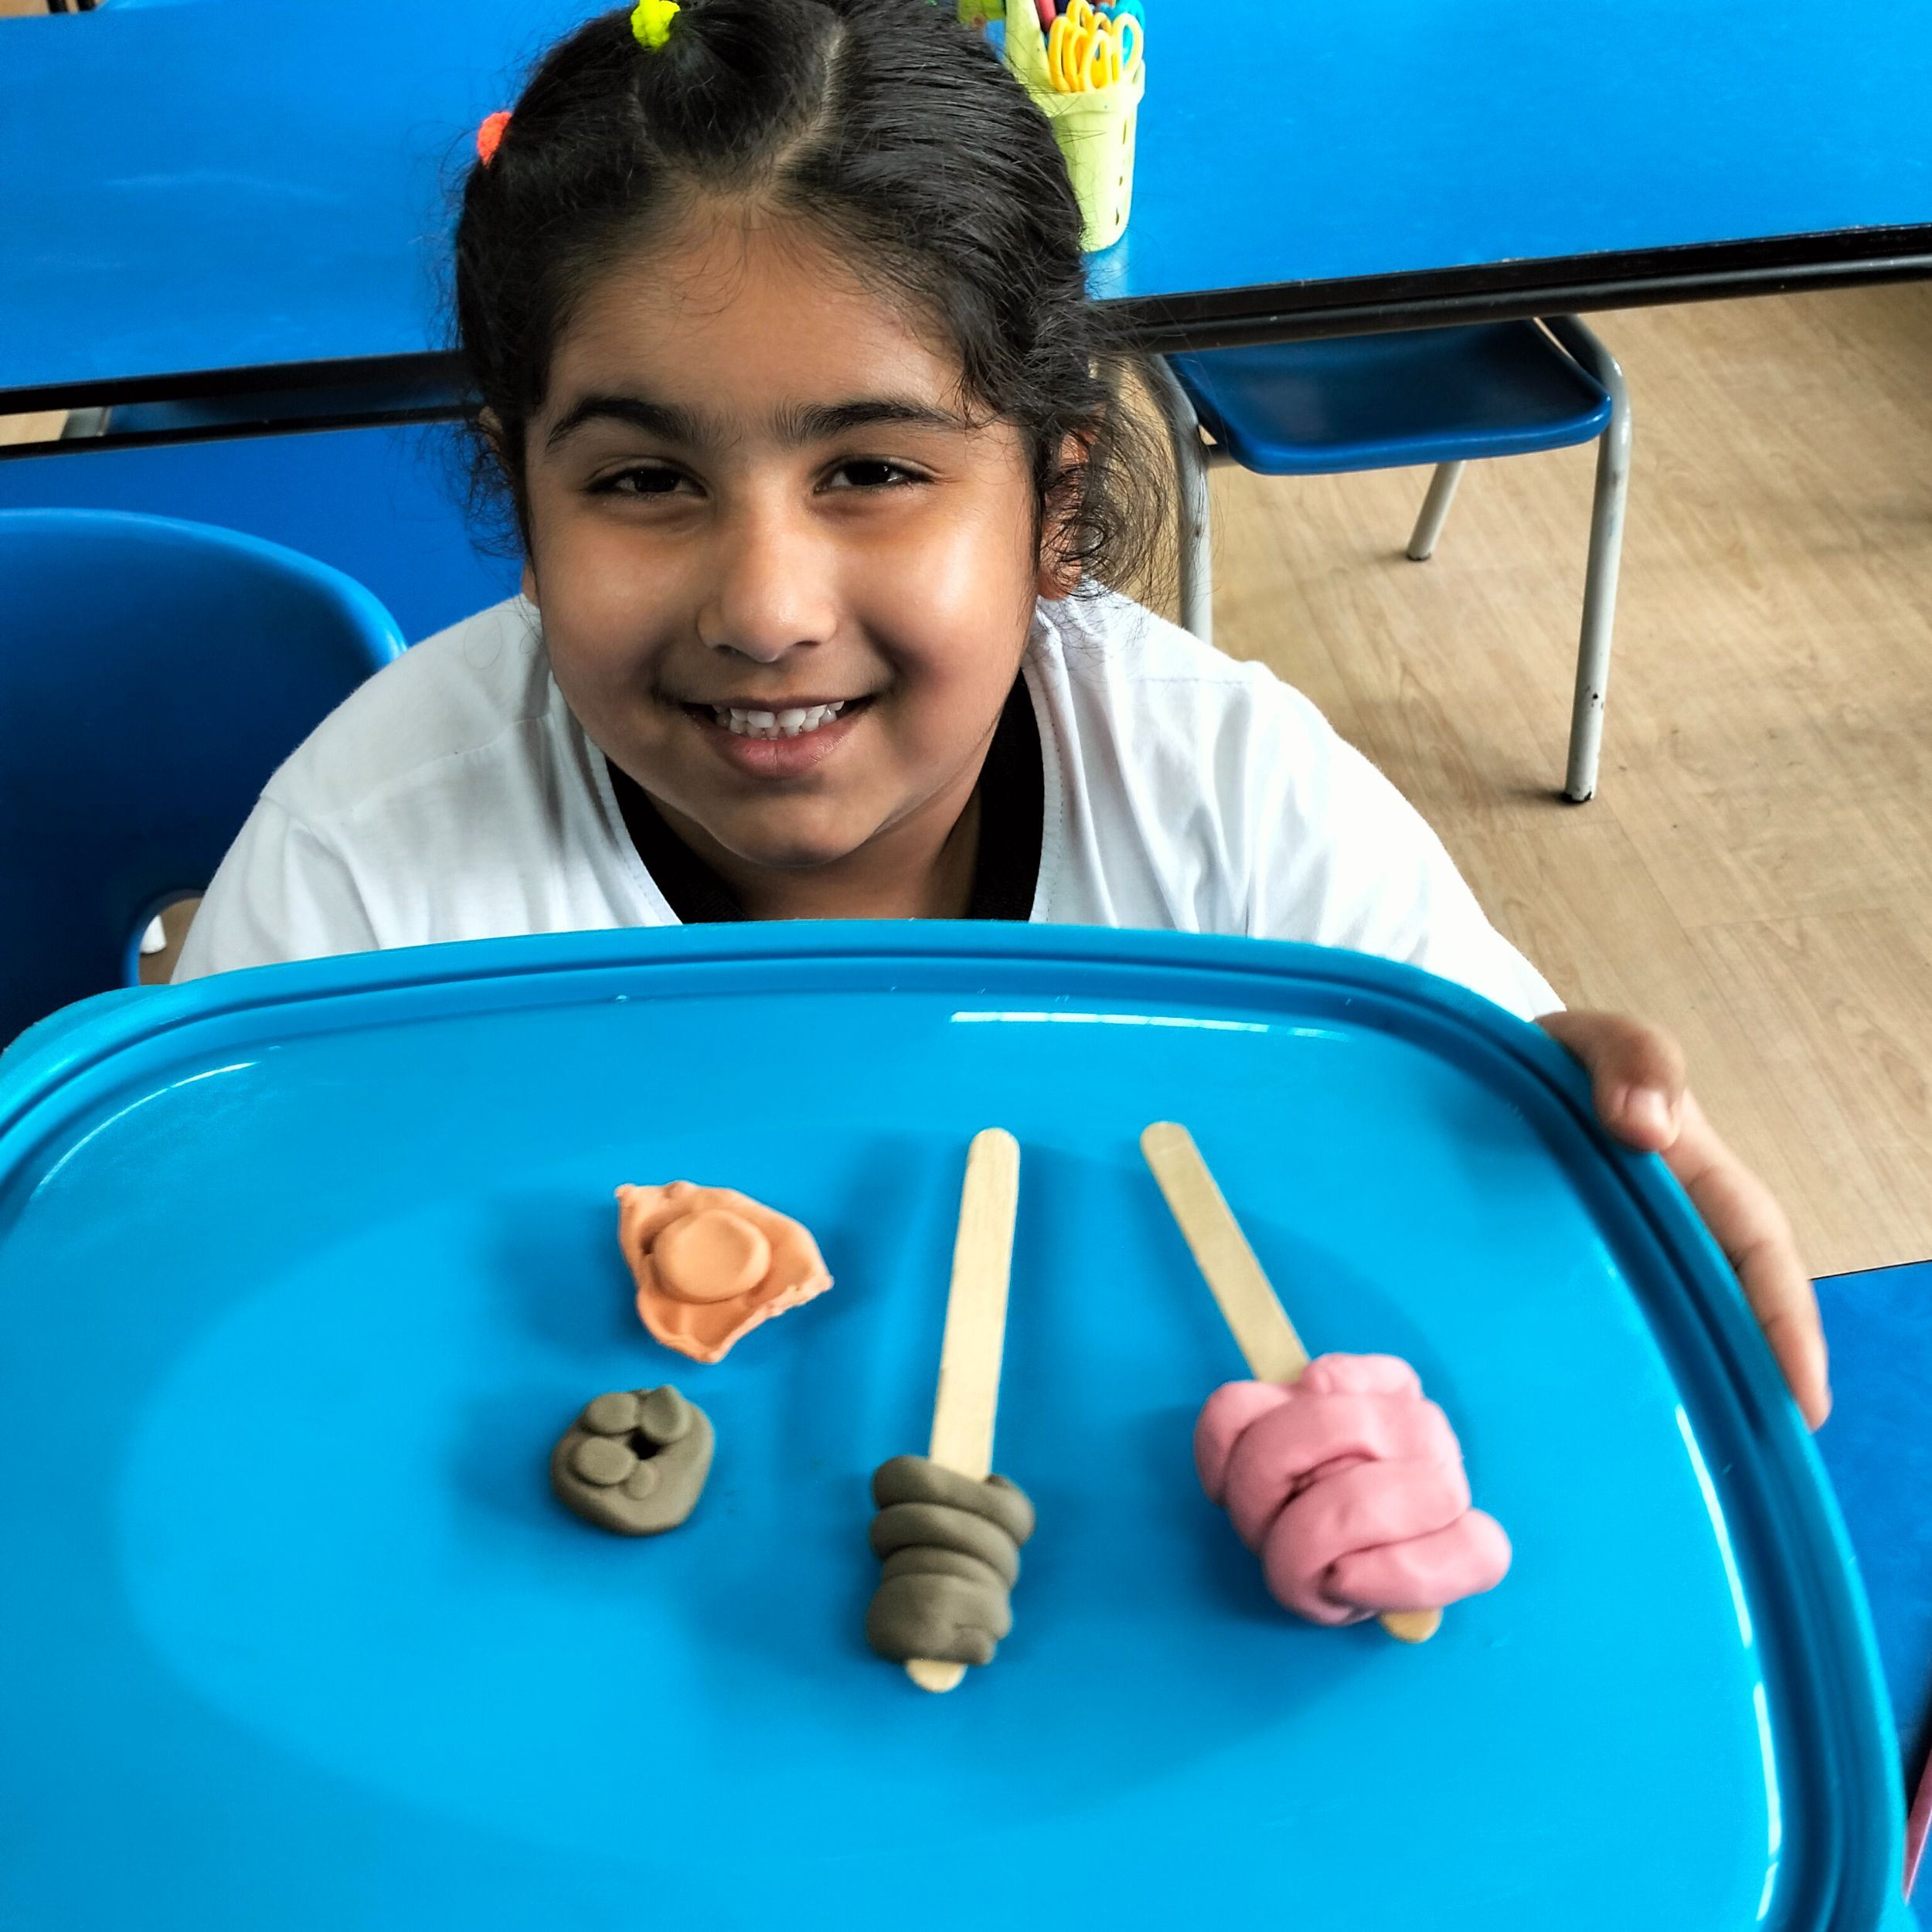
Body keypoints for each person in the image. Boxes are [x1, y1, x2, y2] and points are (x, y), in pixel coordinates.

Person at [173, 0, 1827, 1425]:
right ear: (521, 502)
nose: (765, 608)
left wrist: (1537, 1167)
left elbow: (1474, 1213)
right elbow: (213, 1345)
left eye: (874, 471)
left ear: (1054, 504)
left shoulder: (1226, 806)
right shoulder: (363, 885)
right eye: (643, 480)